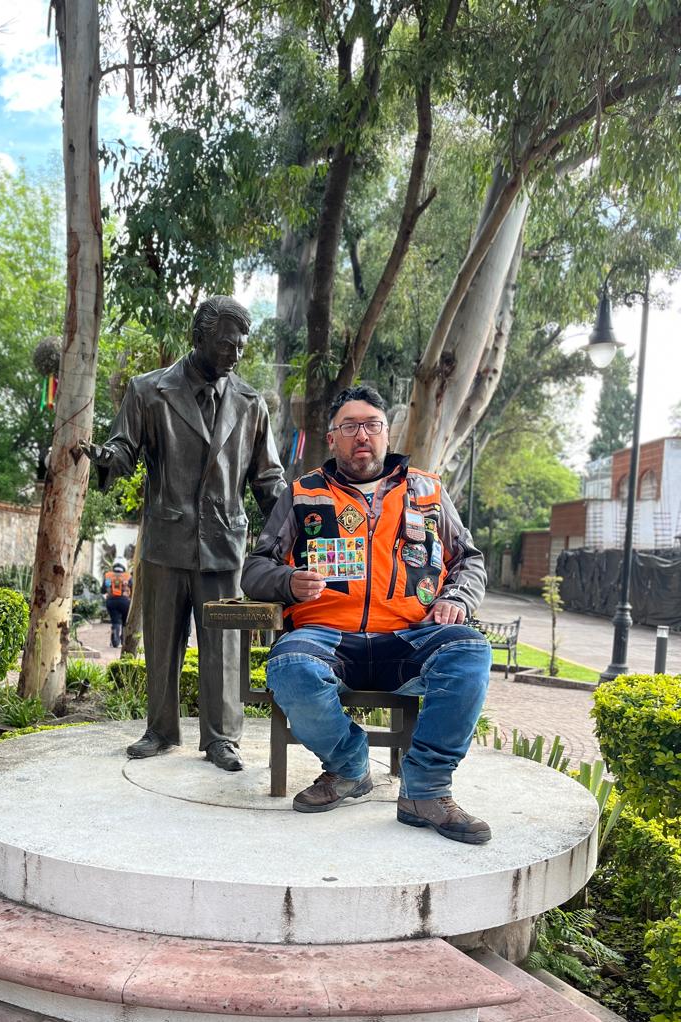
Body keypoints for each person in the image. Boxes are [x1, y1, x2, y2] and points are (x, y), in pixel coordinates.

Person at [241, 383, 492, 843]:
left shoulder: (427, 491)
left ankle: (425, 790)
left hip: (411, 637)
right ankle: (349, 766)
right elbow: (255, 568)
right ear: (331, 438)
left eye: (372, 425)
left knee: (471, 652)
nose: (362, 435)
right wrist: (287, 582)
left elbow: (469, 560)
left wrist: (456, 599)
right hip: (326, 637)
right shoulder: (303, 494)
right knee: (289, 666)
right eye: (350, 426)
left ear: (387, 433)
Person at [83, 296, 286, 771]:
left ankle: (222, 738)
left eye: (241, 346)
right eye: (226, 344)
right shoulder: (148, 391)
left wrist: (298, 519)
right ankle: (160, 730)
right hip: (167, 540)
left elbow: (268, 479)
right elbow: (124, 446)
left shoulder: (251, 404)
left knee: (225, 647)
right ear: (199, 338)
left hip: (225, 543)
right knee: (162, 641)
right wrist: (109, 458)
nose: (235, 354)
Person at [102, 559, 132, 648]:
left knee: (115, 621)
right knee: (125, 621)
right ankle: (124, 640)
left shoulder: (108, 575)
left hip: (111, 601)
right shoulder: (128, 576)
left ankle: (115, 639)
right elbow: (133, 587)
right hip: (125, 601)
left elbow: (103, 589)